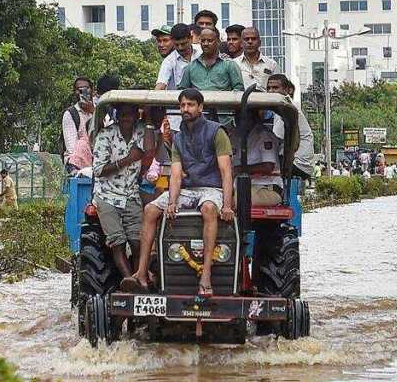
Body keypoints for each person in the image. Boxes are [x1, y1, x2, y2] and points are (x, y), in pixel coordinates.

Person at [136, 89, 235, 297]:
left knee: (209, 209)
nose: (185, 109)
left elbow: (226, 172)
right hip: (189, 189)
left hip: (212, 188)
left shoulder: (217, 132)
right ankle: (141, 273)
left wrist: (227, 205)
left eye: (190, 105)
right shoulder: (178, 138)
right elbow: (176, 174)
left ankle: (206, 274)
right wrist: (171, 202)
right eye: (182, 105)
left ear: (200, 107)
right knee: (150, 209)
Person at [92, 100, 146, 291]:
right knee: (117, 241)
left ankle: (140, 278)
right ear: (117, 116)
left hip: (131, 194)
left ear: (136, 115)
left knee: (138, 241)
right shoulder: (106, 135)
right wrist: (127, 160)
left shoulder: (141, 131)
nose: (126, 118)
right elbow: (98, 170)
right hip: (107, 195)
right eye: (122, 114)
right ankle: (129, 281)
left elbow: (151, 148)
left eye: (130, 114)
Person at [266, 74, 315, 179]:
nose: (271, 91)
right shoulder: (282, 106)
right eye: (268, 88)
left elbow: (276, 138)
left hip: (298, 163)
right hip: (299, 161)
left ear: (288, 90)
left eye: (275, 88)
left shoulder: (286, 107)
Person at [232, 109, 283, 206]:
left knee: (234, 201)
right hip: (240, 186)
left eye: (243, 117)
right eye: (237, 116)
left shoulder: (264, 135)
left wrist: (239, 169)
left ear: (254, 118)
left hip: (265, 187)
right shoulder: (235, 136)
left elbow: (268, 166)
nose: (238, 120)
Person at [178, 27, 244, 92]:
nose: (206, 44)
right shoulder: (191, 67)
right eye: (203, 41)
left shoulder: (229, 65)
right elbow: (182, 91)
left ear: (218, 42)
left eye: (210, 40)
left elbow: (239, 90)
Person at [63, 76, 95, 170]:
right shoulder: (70, 114)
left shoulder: (99, 110)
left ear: (92, 91)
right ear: (75, 93)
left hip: (99, 160)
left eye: (86, 88)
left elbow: (109, 129)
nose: (83, 90)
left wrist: (93, 112)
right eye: (79, 89)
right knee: (81, 144)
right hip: (77, 164)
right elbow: (71, 147)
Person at [156, 24, 200, 90]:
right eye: (177, 45)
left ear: (191, 39)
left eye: (183, 44)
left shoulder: (202, 52)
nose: (180, 48)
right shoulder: (169, 61)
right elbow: (161, 84)